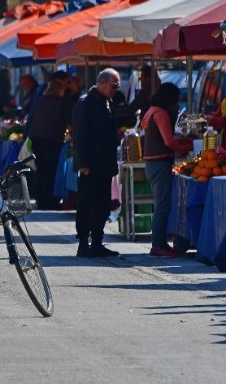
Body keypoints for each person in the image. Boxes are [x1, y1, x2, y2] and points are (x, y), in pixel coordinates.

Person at [73, 68, 135, 258]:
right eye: (114, 85)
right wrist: (83, 162)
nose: (117, 89)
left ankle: (97, 242)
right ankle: (84, 243)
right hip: (90, 164)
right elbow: (80, 134)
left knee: (101, 205)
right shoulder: (86, 103)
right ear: (102, 82)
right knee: (87, 204)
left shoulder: (107, 102)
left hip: (104, 163)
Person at [142, 83, 192, 257]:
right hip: (159, 163)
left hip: (151, 164)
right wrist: (184, 148)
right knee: (162, 206)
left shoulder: (150, 111)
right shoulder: (161, 113)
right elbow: (168, 141)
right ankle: (158, 245)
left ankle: (160, 243)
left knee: (160, 204)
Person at [29, 74, 69, 210]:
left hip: (37, 138)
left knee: (41, 171)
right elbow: (68, 119)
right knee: (50, 171)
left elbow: (32, 118)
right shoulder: (59, 102)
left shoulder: (41, 100)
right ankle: (49, 201)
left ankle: (40, 200)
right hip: (51, 139)